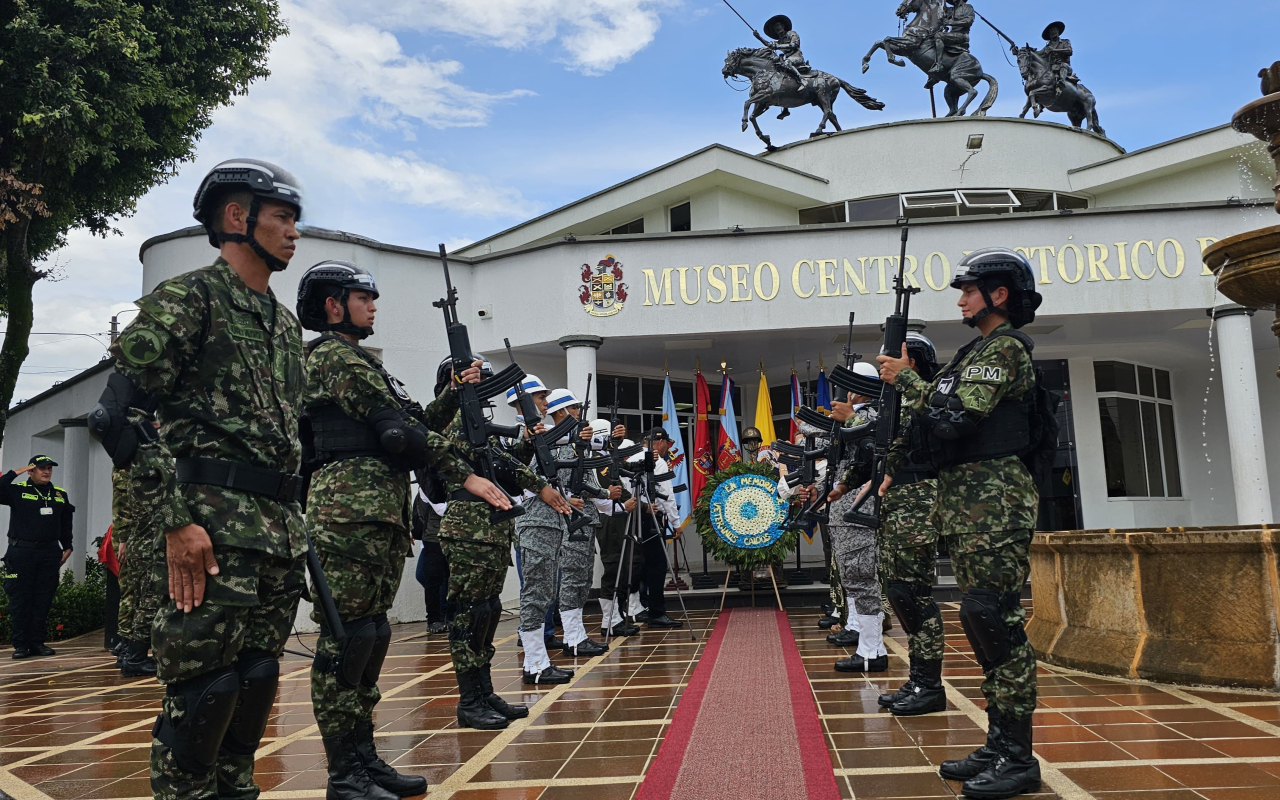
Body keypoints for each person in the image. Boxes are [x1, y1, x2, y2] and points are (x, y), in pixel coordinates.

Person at [88, 158, 310, 800]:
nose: (295, 233)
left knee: (256, 679)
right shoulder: (188, 299)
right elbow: (118, 417)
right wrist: (174, 521)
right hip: (208, 529)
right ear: (237, 218)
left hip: (275, 533)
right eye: (283, 218)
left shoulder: (284, 324)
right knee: (203, 692)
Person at [296, 260, 511, 800]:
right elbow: (397, 433)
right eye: (363, 296)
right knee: (347, 641)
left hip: (378, 516)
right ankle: (345, 771)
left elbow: (416, 422)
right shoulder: (332, 358)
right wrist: (467, 475)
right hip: (345, 514)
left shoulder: (366, 364)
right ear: (332, 305)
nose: (373, 305)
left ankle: (365, 759)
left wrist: (454, 394)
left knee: (372, 636)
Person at [877, 247, 1044, 800]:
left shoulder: (1004, 351)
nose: (961, 297)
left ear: (998, 295)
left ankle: (1019, 758)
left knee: (993, 618)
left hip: (993, 501)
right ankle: (1000, 743)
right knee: (980, 620)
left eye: (969, 289)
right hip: (966, 502)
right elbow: (935, 418)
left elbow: (955, 416)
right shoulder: (973, 352)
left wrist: (906, 380)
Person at [438, 376, 571, 727]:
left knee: (488, 612)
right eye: (475, 376)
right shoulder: (455, 420)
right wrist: (541, 486)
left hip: (491, 528)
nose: (481, 383)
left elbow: (507, 470)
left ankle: (484, 692)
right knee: (469, 616)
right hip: (468, 529)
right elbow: (499, 463)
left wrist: (528, 443)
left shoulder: (477, 422)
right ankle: (470, 701)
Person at [878, 332, 947, 717]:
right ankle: (919, 679)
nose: (883, 367)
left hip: (919, 499)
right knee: (900, 593)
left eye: (890, 360)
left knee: (913, 594)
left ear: (912, 362)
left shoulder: (928, 394)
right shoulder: (899, 400)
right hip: (898, 501)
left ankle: (929, 685)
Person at [825, 365, 888, 673]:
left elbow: (876, 444)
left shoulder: (879, 412)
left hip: (861, 506)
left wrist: (850, 416)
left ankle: (872, 649)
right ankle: (865, 642)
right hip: (844, 505)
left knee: (862, 575)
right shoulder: (851, 416)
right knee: (851, 575)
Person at [541, 389, 610, 658]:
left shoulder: (575, 445)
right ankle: (572, 637)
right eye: (575, 409)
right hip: (569, 520)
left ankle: (577, 634)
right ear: (561, 413)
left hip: (584, 519)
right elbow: (549, 481)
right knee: (572, 577)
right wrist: (571, 499)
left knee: (581, 578)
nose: (580, 413)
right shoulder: (553, 443)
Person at [1, 456, 73, 659]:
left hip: (49, 553)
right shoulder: (17, 491)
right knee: (20, 599)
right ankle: (21, 645)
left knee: (43, 599)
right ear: (31, 471)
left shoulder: (60, 494)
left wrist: (67, 545)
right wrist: (15, 472)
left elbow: (66, 520)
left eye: (49, 468)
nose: (46, 472)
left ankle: (37, 643)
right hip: (21, 552)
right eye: (41, 468)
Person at [112, 449, 163, 677]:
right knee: (148, 601)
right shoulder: (144, 472)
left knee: (143, 601)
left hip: (144, 544)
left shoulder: (138, 469)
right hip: (147, 546)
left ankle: (133, 654)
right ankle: (135, 657)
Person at [626, 429, 683, 629]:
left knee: (637, 564)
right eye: (667, 442)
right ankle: (657, 612)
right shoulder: (657, 461)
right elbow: (667, 495)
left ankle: (634, 608)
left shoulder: (631, 458)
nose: (668, 447)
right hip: (649, 517)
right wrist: (676, 523)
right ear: (659, 442)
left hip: (630, 515)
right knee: (657, 566)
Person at [590, 422, 637, 638]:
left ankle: (617, 616)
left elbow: (621, 489)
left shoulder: (607, 459)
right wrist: (637, 506)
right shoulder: (598, 461)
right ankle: (609, 620)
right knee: (612, 569)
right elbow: (608, 491)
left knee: (621, 567)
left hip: (617, 518)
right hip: (609, 521)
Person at [412, 488, 450, 635]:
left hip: (450, 536)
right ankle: (435, 618)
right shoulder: (429, 483)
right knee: (432, 578)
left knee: (448, 577)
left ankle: (447, 615)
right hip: (434, 538)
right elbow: (441, 509)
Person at [758, 14, 808, 90]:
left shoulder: (791, 33)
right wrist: (759, 37)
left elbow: (794, 45)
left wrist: (777, 46)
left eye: (778, 25)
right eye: (775, 27)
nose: (777, 28)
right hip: (787, 58)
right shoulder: (780, 41)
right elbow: (769, 45)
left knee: (787, 63)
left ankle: (802, 79)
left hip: (797, 57)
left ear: (783, 26)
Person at [930, 0, 974, 74]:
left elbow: (968, 21)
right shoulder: (951, 10)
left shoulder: (968, 7)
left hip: (962, 36)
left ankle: (939, 65)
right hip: (952, 35)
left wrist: (951, 22)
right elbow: (941, 11)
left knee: (939, 36)